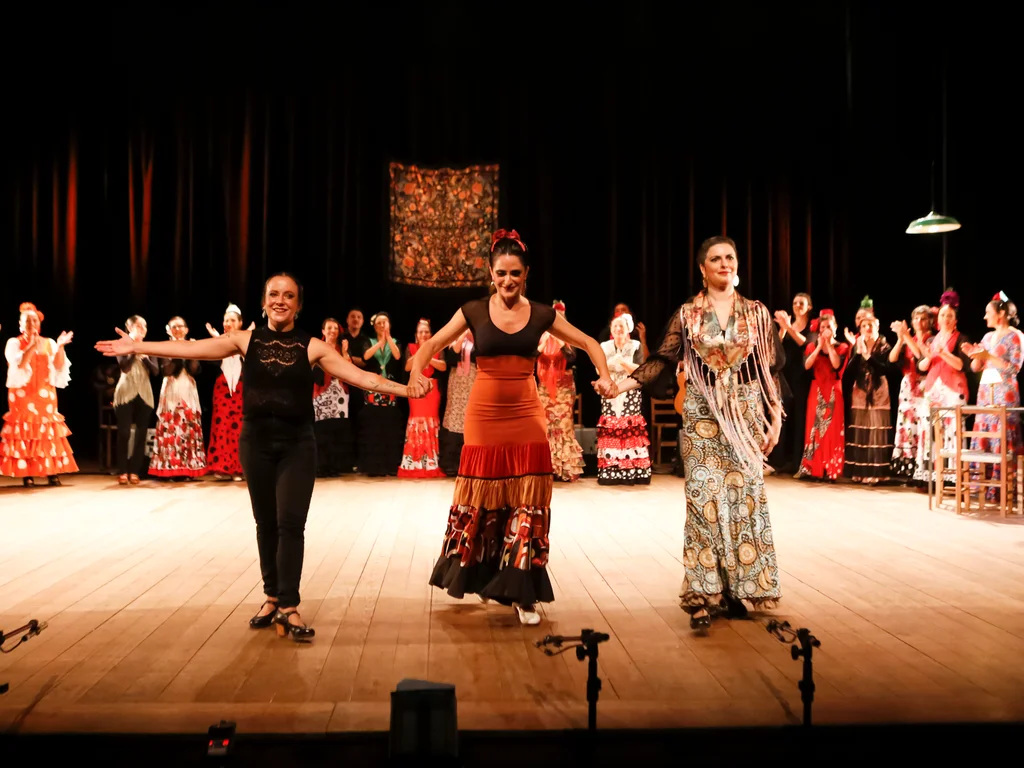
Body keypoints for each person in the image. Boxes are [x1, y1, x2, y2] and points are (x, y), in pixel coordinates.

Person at [96, 273, 424, 641]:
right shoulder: (244, 340)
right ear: (264, 302)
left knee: (291, 524)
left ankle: (289, 605)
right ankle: (272, 597)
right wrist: (138, 345)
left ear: (299, 305)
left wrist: (407, 389)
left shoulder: (313, 347)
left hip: (298, 445)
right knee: (265, 522)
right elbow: (192, 349)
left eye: (289, 295)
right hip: (256, 444)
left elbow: (363, 378)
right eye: (274, 294)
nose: (281, 300)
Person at [408, 228, 614, 625]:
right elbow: (431, 345)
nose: (507, 280)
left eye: (515, 273)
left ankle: (521, 590)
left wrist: (604, 376)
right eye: (501, 273)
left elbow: (589, 342)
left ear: (526, 274)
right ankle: (486, 576)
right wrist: (417, 374)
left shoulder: (541, 313)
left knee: (527, 499)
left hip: (526, 411)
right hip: (484, 414)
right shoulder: (473, 310)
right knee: (483, 498)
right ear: (490, 272)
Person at [603, 236, 783, 631]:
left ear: (737, 264)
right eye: (715, 259)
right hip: (702, 414)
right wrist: (618, 387)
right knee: (702, 499)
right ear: (702, 268)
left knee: (742, 502)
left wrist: (775, 419)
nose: (724, 263)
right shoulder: (688, 314)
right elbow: (661, 360)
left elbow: (769, 369)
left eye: (730, 257)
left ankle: (736, 589)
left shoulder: (756, 313)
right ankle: (701, 593)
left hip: (744, 416)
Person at [1, 303, 78, 486]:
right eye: (27, 321)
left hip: (45, 393)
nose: (31, 324)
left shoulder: (49, 342)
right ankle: (27, 473)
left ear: (40, 323)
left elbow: (58, 366)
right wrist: (31, 345)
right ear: (20, 324)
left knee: (46, 431)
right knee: (26, 430)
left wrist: (60, 346)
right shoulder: (14, 343)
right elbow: (19, 364)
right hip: (22, 394)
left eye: (34, 320)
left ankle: (51, 471)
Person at [962, 291, 1023, 504]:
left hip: (1005, 393)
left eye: (988, 312)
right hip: (985, 393)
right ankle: (982, 486)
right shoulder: (987, 337)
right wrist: (974, 355)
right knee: (985, 433)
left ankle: (1003, 488)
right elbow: (976, 366)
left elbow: (1014, 368)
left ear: (1001, 313)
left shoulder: (1016, 336)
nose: (984, 316)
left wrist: (988, 356)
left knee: (1002, 435)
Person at [920, 290, 970, 482]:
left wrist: (944, 353)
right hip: (934, 388)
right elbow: (923, 366)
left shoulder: (961, 338)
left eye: (949, 316)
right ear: (937, 319)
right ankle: (932, 477)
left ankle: (952, 477)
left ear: (955, 320)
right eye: (942, 315)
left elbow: (961, 365)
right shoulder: (931, 340)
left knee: (952, 431)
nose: (945, 319)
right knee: (930, 431)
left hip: (952, 389)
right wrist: (928, 357)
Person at [597, 312, 652, 485]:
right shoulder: (604, 346)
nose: (618, 329)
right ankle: (611, 472)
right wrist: (610, 363)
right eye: (615, 326)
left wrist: (621, 362)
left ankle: (632, 471)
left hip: (630, 391)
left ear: (628, 328)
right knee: (612, 427)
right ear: (611, 329)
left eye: (621, 326)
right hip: (610, 391)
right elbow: (599, 369)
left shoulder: (635, 345)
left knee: (629, 428)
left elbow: (640, 370)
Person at [148, 316, 206, 480]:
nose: (178, 330)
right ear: (168, 330)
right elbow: (167, 371)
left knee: (188, 426)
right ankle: (170, 469)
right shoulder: (164, 347)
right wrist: (179, 351)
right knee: (171, 427)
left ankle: (188, 468)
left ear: (186, 330)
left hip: (187, 389)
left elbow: (195, 369)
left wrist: (191, 351)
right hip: (171, 390)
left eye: (181, 326)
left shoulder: (191, 345)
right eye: (174, 327)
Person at [536, 300, 585, 482]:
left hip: (564, 385)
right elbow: (532, 356)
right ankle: (547, 467)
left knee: (563, 425)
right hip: (545, 385)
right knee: (546, 425)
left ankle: (564, 469)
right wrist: (544, 341)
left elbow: (572, 358)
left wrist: (559, 339)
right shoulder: (541, 334)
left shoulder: (568, 334)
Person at [798, 309, 848, 481]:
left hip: (834, 390)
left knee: (832, 430)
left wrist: (829, 345)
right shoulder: (812, 346)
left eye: (829, 326)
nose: (826, 329)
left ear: (835, 328)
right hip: (817, 390)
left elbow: (836, 365)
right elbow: (807, 366)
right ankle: (814, 467)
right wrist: (819, 346)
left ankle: (831, 468)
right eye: (823, 327)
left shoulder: (842, 347)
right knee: (814, 429)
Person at [844, 313, 893, 485]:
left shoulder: (884, 346)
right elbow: (849, 372)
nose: (867, 328)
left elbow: (883, 370)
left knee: (876, 431)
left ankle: (876, 472)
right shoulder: (857, 346)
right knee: (861, 430)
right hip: (860, 391)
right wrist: (858, 354)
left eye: (871, 325)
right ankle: (860, 471)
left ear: (877, 327)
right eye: (864, 326)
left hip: (878, 391)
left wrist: (868, 357)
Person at [204, 304, 251, 481]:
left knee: (239, 427)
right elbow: (210, 362)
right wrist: (215, 341)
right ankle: (222, 467)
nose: (228, 323)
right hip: (223, 389)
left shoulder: (246, 342)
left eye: (232, 320)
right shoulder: (218, 342)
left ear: (240, 323)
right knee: (222, 426)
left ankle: (239, 468)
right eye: (226, 320)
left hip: (241, 388)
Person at [888, 305, 934, 484]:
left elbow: (920, 357)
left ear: (930, 321)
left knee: (923, 427)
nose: (919, 322)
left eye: (923, 318)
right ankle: (910, 468)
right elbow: (892, 359)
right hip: (908, 386)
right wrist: (901, 339)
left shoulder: (932, 340)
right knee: (908, 427)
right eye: (916, 318)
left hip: (924, 385)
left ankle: (922, 469)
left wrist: (906, 337)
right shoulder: (909, 338)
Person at [398, 318, 447, 478]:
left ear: (431, 334)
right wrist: (420, 353)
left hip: (432, 389)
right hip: (416, 388)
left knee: (431, 421)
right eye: (421, 332)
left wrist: (428, 355)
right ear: (416, 335)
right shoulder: (411, 348)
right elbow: (407, 366)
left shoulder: (437, 347)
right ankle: (414, 462)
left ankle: (431, 462)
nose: (424, 334)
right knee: (416, 421)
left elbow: (443, 366)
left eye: (426, 332)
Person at [113, 315, 158, 485]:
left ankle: (134, 471)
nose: (142, 329)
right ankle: (122, 470)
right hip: (125, 392)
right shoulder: (121, 345)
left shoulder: (149, 347)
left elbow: (155, 371)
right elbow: (124, 367)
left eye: (144, 326)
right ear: (129, 328)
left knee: (141, 433)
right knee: (124, 432)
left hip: (144, 393)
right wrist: (134, 349)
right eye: (138, 326)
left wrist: (144, 356)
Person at [312, 317, 355, 477]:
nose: (333, 331)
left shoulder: (341, 348)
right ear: (323, 331)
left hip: (339, 392)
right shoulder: (317, 347)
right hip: (321, 392)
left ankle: (336, 466)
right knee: (322, 428)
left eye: (335, 328)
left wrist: (344, 352)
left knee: (338, 428)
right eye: (329, 328)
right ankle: (322, 466)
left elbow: (349, 369)